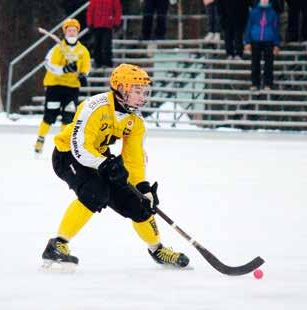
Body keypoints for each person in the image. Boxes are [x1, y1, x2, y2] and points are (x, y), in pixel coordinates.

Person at [41, 63, 190, 270]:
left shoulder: (135, 120)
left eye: (144, 91)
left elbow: (134, 158)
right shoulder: (94, 106)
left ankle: (157, 250)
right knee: (96, 192)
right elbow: (79, 146)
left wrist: (143, 187)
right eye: (137, 91)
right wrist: (104, 164)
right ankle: (57, 245)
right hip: (69, 156)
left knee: (138, 203)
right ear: (120, 88)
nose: (142, 96)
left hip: (101, 159)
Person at [34, 19, 91, 155]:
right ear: (65, 32)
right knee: (50, 116)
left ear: (78, 32)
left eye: (74, 30)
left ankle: (61, 144)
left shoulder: (83, 51)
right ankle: (40, 139)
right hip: (55, 86)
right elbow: (49, 64)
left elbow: (86, 66)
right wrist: (63, 69)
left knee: (68, 116)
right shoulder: (57, 49)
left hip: (72, 88)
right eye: (69, 30)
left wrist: (83, 75)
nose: (71, 33)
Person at [244, 0, 281, 91]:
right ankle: (255, 83)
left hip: (269, 40)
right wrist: (247, 41)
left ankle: (268, 83)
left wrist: (276, 44)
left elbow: (276, 28)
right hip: (255, 39)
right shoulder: (254, 12)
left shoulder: (273, 13)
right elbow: (249, 26)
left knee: (269, 63)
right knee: (255, 62)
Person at [86, 0, 122, 68]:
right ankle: (98, 62)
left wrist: (117, 23)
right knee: (97, 45)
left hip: (108, 25)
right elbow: (90, 10)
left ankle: (108, 62)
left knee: (107, 45)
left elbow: (117, 9)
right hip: (96, 25)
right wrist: (90, 23)